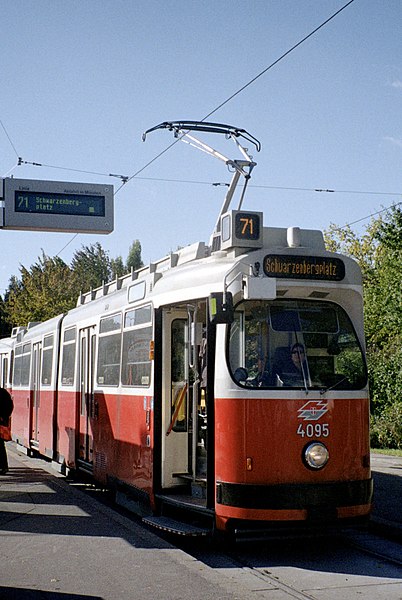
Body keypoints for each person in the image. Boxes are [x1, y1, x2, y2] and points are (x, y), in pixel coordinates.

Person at [0, 387, 13, 474]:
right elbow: (10, 406)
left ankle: (3, 466)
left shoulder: (2, 393)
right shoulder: (3, 393)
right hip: (1, 422)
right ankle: (3, 466)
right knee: (0, 446)